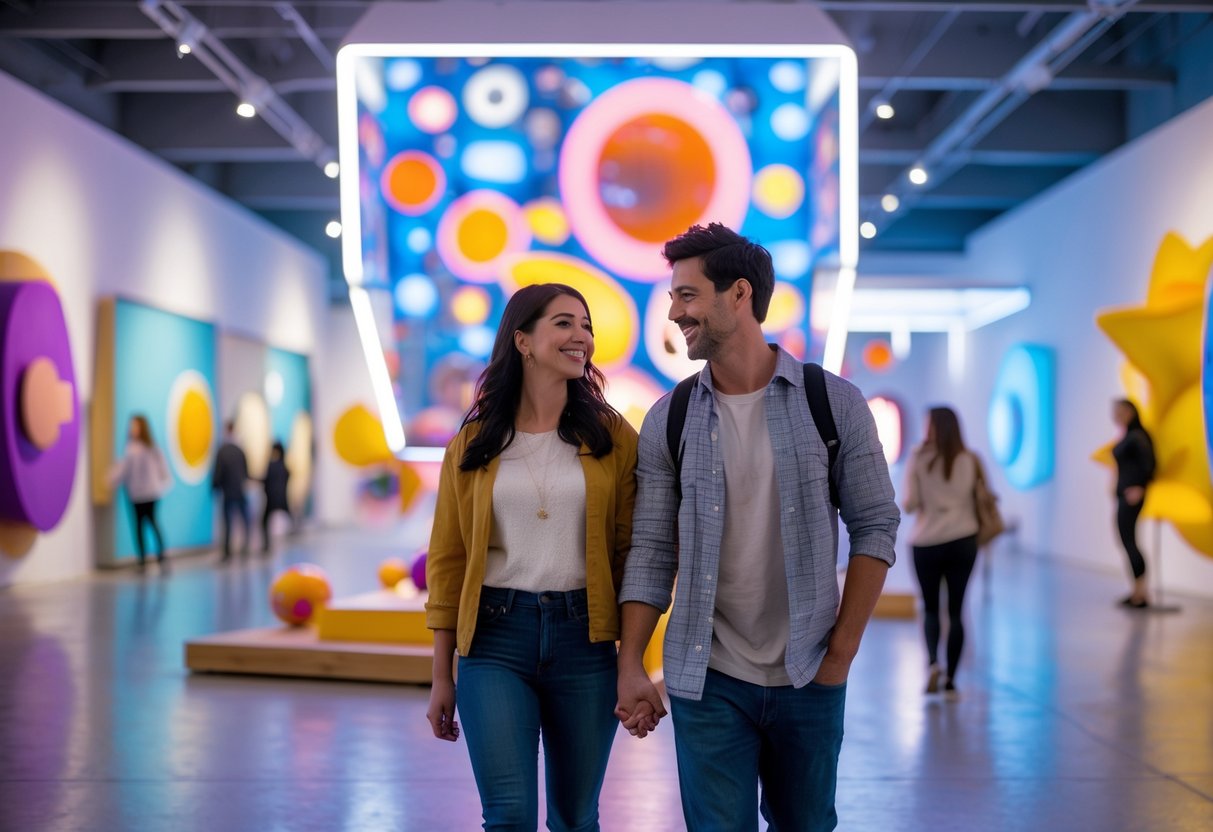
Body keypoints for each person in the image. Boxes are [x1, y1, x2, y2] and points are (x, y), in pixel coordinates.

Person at [615, 223, 900, 832]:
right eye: (672, 298)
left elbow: (875, 524)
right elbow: (650, 552)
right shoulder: (670, 419)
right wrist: (631, 662)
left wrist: (841, 654)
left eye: (687, 295)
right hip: (707, 677)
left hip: (810, 670)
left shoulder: (833, 401)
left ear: (738, 294)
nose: (674, 313)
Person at [424, 283, 639, 831]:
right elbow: (447, 561)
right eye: (565, 323)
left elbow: (632, 550)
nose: (581, 337)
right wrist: (440, 676)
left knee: (574, 817)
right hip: (494, 639)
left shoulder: (613, 436)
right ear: (522, 339)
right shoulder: (473, 442)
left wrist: (633, 658)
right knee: (510, 815)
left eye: (586, 325)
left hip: (584, 639)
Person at [901, 407, 981, 699]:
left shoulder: (919, 457)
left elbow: (910, 503)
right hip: (964, 538)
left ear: (933, 427)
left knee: (931, 608)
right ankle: (951, 679)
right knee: (957, 610)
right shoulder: (970, 459)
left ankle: (934, 663)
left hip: (927, 541)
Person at [108, 414, 171, 572]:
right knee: (139, 527)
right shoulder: (131, 449)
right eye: (131, 426)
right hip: (136, 494)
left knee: (151, 523)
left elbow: (163, 470)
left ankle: (161, 555)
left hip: (150, 493)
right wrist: (110, 479)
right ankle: (142, 560)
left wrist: (163, 484)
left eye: (135, 426)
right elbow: (123, 471)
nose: (132, 429)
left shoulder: (150, 448)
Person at [1110, 399, 1155, 608]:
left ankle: (1142, 592)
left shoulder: (1138, 436)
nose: (1115, 415)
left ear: (1129, 412)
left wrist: (1141, 487)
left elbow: (1150, 464)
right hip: (1123, 495)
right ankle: (1137, 590)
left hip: (1132, 495)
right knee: (1127, 541)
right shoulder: (1129, 435)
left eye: (1119, 411)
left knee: (1130, 542)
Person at [212, 420, 250, 561]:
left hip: (228, 491)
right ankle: (245, 546)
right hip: (239, 489)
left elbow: (218, 471)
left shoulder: (223, 451)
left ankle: (228, 551)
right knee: (243, 519)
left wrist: (215, 486)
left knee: (228, 522)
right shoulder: (239, 450)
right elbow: (246, 470)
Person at [259, 441, 291, 554]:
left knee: (264, 522)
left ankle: (266, 545)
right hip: (282, 497)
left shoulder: (272, 465)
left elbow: (265, 480)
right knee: (288, 518)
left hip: (272, 498)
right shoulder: (285, 467)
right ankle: (290, 537)